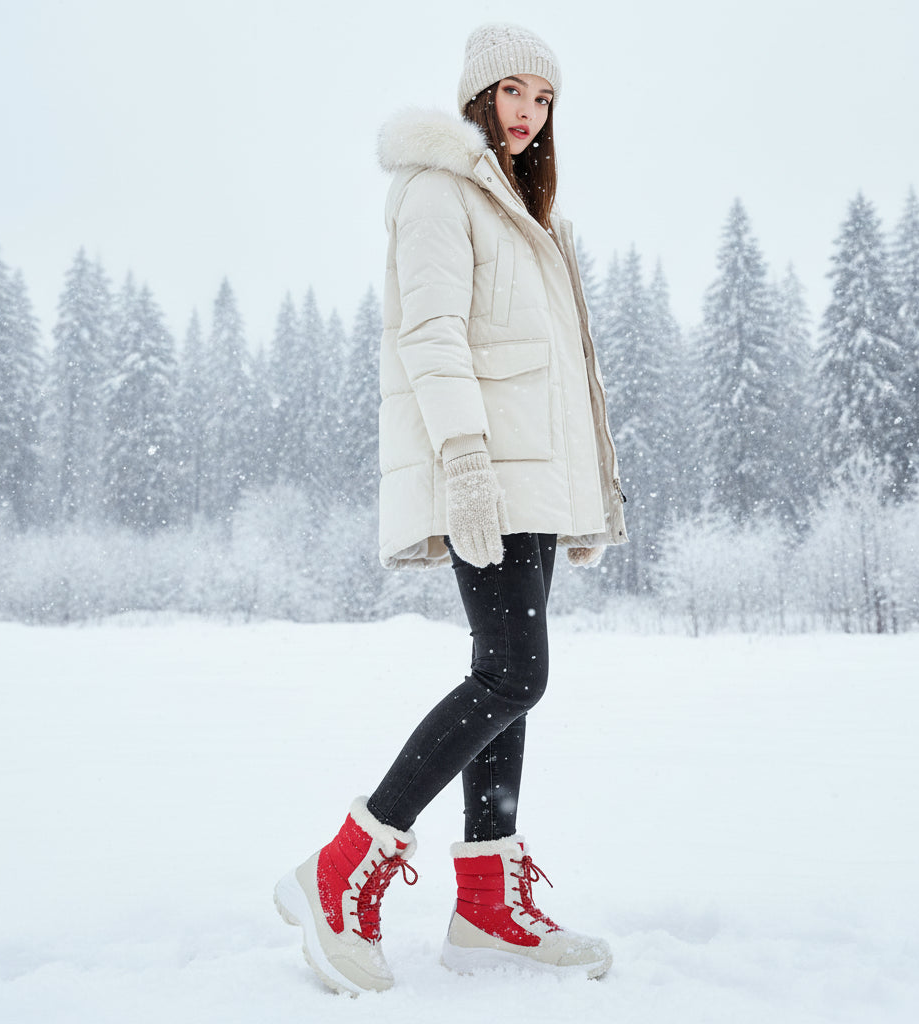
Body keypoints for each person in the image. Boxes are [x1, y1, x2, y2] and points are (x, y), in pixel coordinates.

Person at [274, 23, 627, 996]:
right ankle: (343, 864)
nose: (528, 112)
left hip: (530, 481)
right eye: (512, 91)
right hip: (485, 471)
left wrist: (580, 490)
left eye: (544, 98)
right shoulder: (439, 189)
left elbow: (557, 372)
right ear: (478, 96)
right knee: (515, 673)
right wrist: (465, 461)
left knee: (502, 673)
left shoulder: (525, 209)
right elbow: (429, 333)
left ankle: (484, 900)